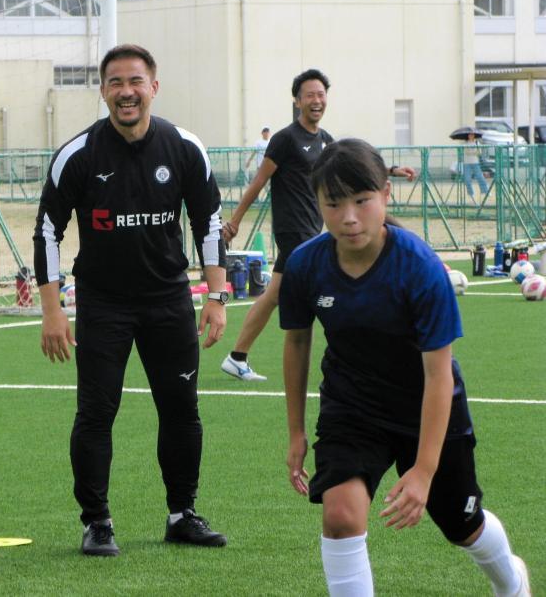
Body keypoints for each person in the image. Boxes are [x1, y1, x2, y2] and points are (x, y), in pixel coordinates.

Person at [280, 139, 530, 597]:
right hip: (352, 407)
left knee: (462, 524)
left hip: (427, 408)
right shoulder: (306, 265)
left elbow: (438, 374)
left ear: (385, 196)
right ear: (318, 203)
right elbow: (297, 342)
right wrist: (295, 431)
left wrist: (423, 470)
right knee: (340, 516)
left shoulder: (419, 267)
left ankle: (512, 584)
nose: (349, 217)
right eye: (334, 204)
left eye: (362, 201)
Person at [34, 44, 230, 557]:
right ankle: (97, 522)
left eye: (136, 81)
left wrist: (217, 294)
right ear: (103, 91)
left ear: (154, 87)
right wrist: (52, 310)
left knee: (181, 411)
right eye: (116, 82)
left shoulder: (184, 147)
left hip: (169, 299)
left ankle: (182, 513)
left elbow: (208, 222)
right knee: (96, 414)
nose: (127, 92)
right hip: (104, 303)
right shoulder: (77, 155)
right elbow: (47, 232)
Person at [220, 69, 414, 382]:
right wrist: (236, 221)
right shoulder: (285, 140)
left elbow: (351, 166)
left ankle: (238, 356)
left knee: (274, 294)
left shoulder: (324, 140)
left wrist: (390, 169)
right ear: (297, 101)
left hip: (314, 228)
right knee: (295, 293)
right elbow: (259, 181)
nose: (316, 100)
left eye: (321, 95)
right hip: (293, 230)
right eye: (310, 95)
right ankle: (242, 356)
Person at [462, 130, 489, 201]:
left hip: (475, 162)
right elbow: (466, 152)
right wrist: (473, 152)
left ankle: (485, 191)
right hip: (466, 163)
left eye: (472, 134)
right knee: (467, 179)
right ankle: (470, 193)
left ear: (474, 135)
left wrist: (472, 152)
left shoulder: (477, 143)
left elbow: (479, 152)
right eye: (469, 135)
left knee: (480, 177)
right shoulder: (465, 143)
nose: (471, 136)